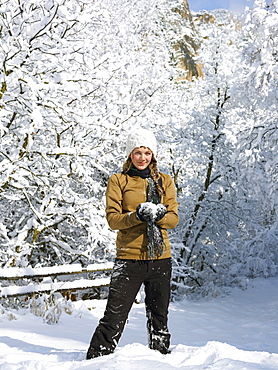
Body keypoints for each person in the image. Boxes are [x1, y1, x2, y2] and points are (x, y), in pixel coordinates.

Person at [86, 128, 179, 359]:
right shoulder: (118, 180)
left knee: (159, 317)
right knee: (114, 316)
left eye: (147, 152)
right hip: (129, 259)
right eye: (138, 152)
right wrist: (136, 216)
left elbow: (173, 219)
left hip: (160, 258)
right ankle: (96, 361)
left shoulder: (164, 181)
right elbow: (113, 220)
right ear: (130, 154)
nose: (142, 157)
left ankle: (159, 360)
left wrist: (158, 215)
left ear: (153, 155)